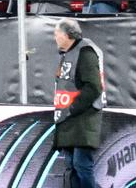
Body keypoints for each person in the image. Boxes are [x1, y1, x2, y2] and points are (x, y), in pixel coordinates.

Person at [51, 17, 105, 188]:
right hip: (69, 119)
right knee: (73, 167)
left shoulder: (85, 52)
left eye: (57, 33)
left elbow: (94, 87)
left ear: (67, 35)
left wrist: (73, 108)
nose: (55, 37)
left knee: (82, 165)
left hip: (82, 118)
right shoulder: (68, 54)